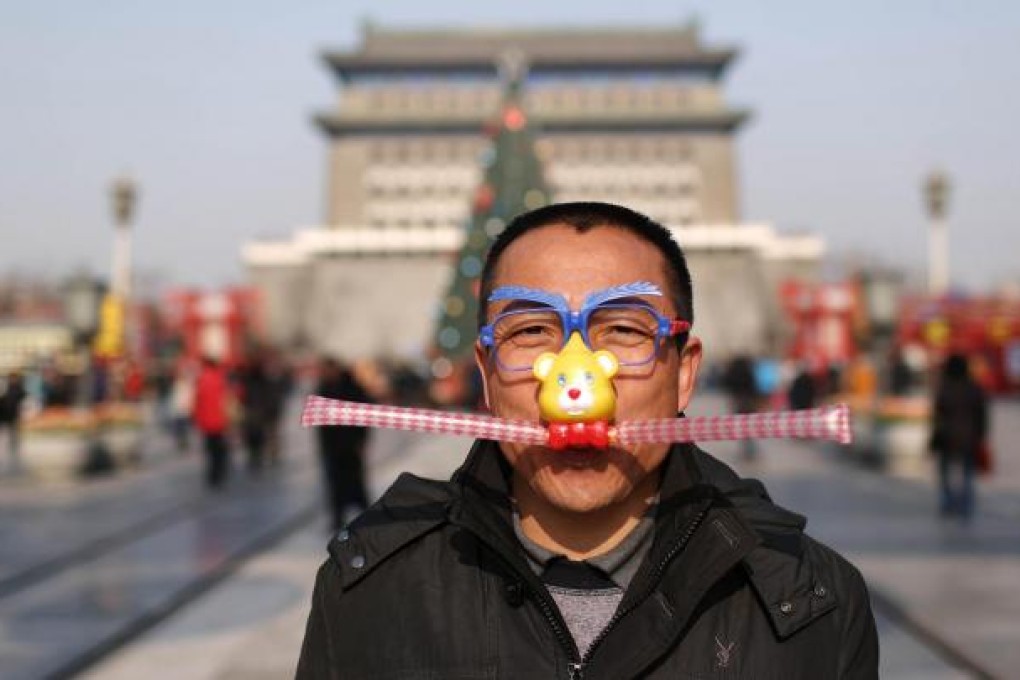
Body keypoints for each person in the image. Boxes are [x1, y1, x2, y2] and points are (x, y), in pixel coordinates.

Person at [298, 203, 878, 678]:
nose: (577, 387)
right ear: (485, 372)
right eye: (530, 332)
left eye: (624, 331)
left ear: (684, 372)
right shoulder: (369, 591)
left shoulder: (808, 601)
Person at [314, 357, 373, 531]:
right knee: (335, 486)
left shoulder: (353, 389)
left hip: (350, 445)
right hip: (332, 447)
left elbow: (364, 416)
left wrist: (361, 441)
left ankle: (366, 518)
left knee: (356, 484)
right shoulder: (323, 388)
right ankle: (337, 519)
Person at [929, 353, 988, 520]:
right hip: (969, 437)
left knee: (945, 472)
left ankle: (948, 501)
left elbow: (938, 415)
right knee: (967, 473)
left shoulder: (945, 388)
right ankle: (966, 504)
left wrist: (934, 437)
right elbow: (981, 414)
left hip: (947, 436)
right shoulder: (974, 388)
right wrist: (981, 435)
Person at [192, 357, 232, 489]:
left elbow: (197, 401)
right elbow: (228, 399)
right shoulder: (221, 379)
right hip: (220, 420)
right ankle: (220, 471)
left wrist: (196, 418)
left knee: (210, 449)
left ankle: (213, 475)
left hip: (206, 421)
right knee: (220, 448)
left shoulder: (202, 380)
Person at [722, 354, 761, 460]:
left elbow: (726, 383)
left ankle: (745, 450)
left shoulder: (732, 371)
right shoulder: (748, 371)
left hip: (737, 400)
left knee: (742, 427)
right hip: (748, 400)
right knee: (749, 426)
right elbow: (754, 386)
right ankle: (750, 450)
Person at [0, 371, 27, 474]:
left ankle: (13, 452)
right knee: (5, 437)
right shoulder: (6, 389)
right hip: (4, 417)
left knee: (13, 437)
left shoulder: (18, 390)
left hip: (13, 417)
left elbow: (23, 402)